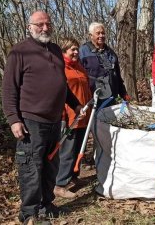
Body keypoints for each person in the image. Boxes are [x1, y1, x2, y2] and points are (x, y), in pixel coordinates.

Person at [1, 11, 83, 224]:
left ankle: (46, 205)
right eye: (40, 24)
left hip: (55, 121)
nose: (45, 28)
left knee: (50, 166)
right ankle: (29, 213)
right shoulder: (20, 52)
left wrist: (75, 104)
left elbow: (61, 85)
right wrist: (14, 119)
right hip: (30, 121)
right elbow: (9, 89)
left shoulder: (56, 50)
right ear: (30, 27)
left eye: (48, 24)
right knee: (31, 166)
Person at [54, 37, 92, 199]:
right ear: (64, 52)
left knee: (79, 149)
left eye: (77, 49)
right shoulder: (60, 68)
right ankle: (59, 184)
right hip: (70, 117)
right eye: (72, 50)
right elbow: (58, 94)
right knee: (67, 152)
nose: (76, 52)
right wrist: (62, 117)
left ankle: (73, 177)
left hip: (84, 115)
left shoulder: (80, 68)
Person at [79, 22, 130, 107]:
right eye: (98, 33)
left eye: (103, 33)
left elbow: (117, 76)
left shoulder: (111, 53)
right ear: (91, 35)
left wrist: (123, 93)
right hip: (92, 99)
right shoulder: (83, 52)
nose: (101, 36)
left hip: (110, 98)